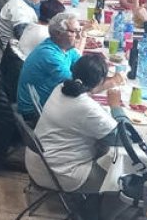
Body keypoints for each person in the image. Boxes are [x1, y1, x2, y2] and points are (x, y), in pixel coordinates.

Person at [27, 53, 127, 194]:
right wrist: (116, 107)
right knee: (119, 183)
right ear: (100, 81)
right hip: (58, 173)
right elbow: (122, 139)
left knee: (102, 150)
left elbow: (87, 90)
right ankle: (96, 212)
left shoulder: (62, 88)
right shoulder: (86, 107)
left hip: (38, 162)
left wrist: (107, 85)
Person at [17, 12, 84, 121]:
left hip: (47, 104)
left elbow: (83, 66)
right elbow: (76, 88)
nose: (79, 36)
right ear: (58, 33)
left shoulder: (64, 46)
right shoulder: (50, 55)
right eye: (74, 32)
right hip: (34, 114)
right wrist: (110, 82)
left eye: (79, 31)